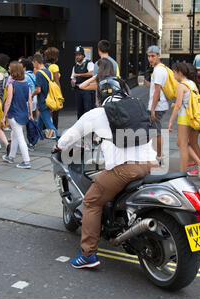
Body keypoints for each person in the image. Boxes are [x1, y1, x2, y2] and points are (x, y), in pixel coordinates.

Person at [55, 76, 157, 269]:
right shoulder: (137, 106)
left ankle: (88, 255)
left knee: (92, 201)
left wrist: (59, 146)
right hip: (152, 163)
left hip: (126, 169)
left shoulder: (97, 114)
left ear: (100, 95)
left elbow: (69, 136)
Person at [168, 62, 200, 178]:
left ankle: (182, 173)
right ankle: (199, 163)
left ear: (179, 72)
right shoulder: (193, 84)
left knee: (183, 145)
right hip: (193, 117)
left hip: (184, 118)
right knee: (182, 143)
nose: (173, 75)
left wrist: (171, 121)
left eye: (174, 73)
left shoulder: (181, 86)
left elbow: (178, 105)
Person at [1, 61, 33, 169]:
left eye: (10, 68)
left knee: (19, 137)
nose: (8, 70)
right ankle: (11, 156)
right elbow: (29, 100)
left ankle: (26, 161)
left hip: (14, 114)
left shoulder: (12, 84)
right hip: (23, 114)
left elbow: (8, 102)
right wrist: (31, 114)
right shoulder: (26, 83)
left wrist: (3, 116)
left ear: (13, 71)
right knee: (14, 135)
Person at [144, 45, 170, 162]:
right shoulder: (158, 69)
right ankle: (157, 155)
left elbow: (157, 92)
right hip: (158, 106)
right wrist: (146, 83)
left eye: (153, 56)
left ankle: (159, 156)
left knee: (156, 132)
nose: (150, 59)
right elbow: (155, 88)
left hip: (157, 107)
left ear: (159, 56)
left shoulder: (159, 70)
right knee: (154, 131)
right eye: (149, 56)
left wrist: (153, 109)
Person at [32, 53, 59, 141]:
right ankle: (33, 142)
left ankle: (61, 142)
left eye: (33, 64)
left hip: (42, 102)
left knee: (50, 126)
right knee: (39, 124)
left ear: (36, 62)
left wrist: (31, 95)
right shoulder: (48, 72)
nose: (33, 66)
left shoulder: (39, 74)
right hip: (48, 101)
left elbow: (38, 90)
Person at [71, 46, 94, 119]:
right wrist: (72, 82)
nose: (77, 57)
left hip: (87, 90)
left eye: (79, 55)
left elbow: (92, 73)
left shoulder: (89, 63)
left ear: (83, 56)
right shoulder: (75, 67)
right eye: (76, 55)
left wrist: (79, 75)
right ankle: (81, 128)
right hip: (78, 90)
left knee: (88, 110)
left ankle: (88, 128)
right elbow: (72, 78)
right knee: (79, 111)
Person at [44, 47, 62, 129]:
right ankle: (55, 130)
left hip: (45, 90)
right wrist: (59, 93)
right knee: (55, 111)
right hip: (53, 91)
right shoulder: (54, 66)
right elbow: (56, 80)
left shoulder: (44, 66)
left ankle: (46, 129)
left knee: (46, 111)